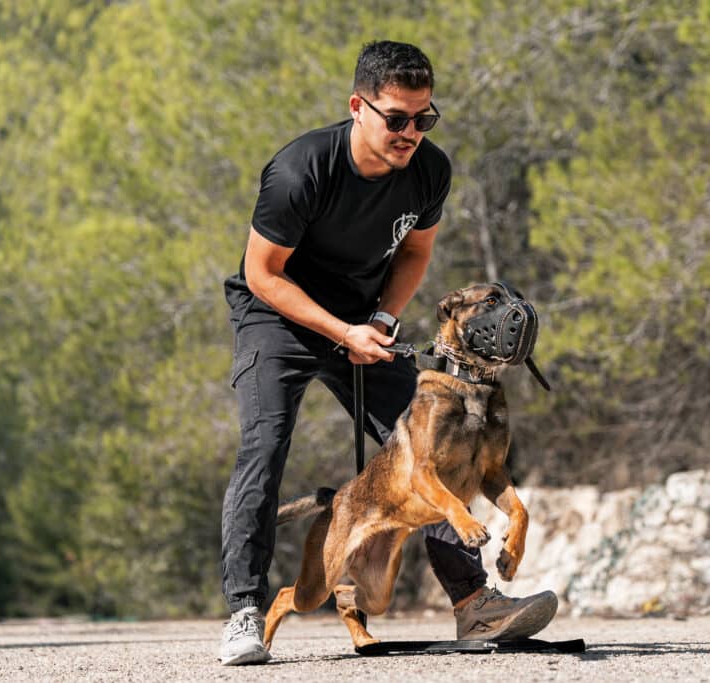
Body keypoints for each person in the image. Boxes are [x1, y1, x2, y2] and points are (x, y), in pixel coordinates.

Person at [219, 40, 557, 666]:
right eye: (396, 118)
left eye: (423, 119)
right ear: (357, 107)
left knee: (437, 442)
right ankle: (245, 607)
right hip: (276, 315)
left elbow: (415, 254)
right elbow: (262, 273)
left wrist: (377, 320)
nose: (410, 133)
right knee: (265, 443)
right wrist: (338, 332)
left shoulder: (429, 170)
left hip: (363, 318)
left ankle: (475, 604)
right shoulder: (301, 171)